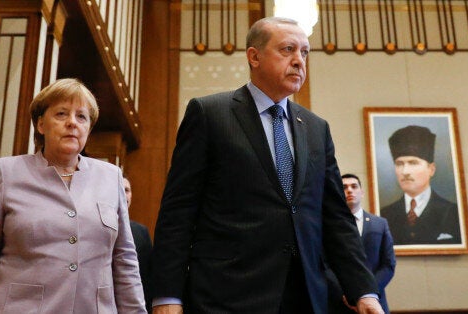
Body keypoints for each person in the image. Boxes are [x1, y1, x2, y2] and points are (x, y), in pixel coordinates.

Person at [151, 17, 382, 314]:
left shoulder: (316, 128)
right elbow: (178, 212)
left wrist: (364, 290)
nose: (299, 61)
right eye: (288, 50)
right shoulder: (210, 114)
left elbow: (336, 217)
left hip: (306, 297)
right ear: (254, 56)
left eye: (305, 52)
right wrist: (167, 296)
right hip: (226, 296)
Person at [0, 78, 146, 313]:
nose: (72, 123)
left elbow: (125, 261)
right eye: (61, 114)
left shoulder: (111, 177)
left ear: (88, 129)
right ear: (41, 124)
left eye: (81, 117)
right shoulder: (7, 173)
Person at [380, 125, 461, 245]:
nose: (405, 171)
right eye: (399, 164)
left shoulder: (453, 212)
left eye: (413, 163)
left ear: (431, 169)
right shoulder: (384, 215)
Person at [328, 174, 396, 313]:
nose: (350, 190)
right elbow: (324, 264)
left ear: (362, 192)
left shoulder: (380, 224)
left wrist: (367, 291)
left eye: (354, 186)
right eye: (344, 187)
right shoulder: (328, 227)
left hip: (375, 301)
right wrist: (345, 293)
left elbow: (388, 264)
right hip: (339, 303)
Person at [124, 176, 153, 313]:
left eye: (127, 190)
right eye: (119, 189)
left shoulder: (141, 232)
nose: (123, 194)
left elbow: (147, 277)